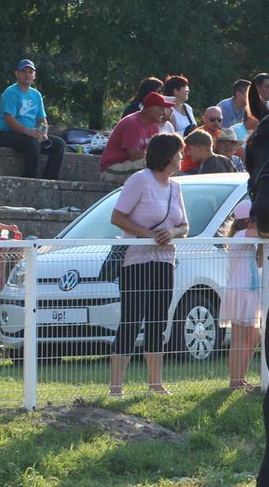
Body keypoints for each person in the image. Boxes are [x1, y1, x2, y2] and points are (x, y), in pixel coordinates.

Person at [108, 133, 189, 397]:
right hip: (137, 259)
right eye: (179, 151)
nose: (182, 156)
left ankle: (155, 383)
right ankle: (116, 386)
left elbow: (184, 226)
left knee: (158, 320)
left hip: (165, 260)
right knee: (132, 320)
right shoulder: (140, 180)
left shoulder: (175, 187)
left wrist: (171, 233)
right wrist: (148, 235)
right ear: (168, 154)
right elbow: (117, 217)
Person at [218, 199, 264, 390]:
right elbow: (265, 233)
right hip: (241, 291)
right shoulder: (243, 235)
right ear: (248, 221)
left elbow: (259, 262)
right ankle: (235, 380)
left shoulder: (246, 238)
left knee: (253, 336)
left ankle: (239, 378)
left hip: (247, 290)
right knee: (239, 338)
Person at [0, 60, 66, 180]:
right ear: (17, 74)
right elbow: (8, 118)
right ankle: (30, 177)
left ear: (34, 75)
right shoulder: (10, 93)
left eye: (30, 72)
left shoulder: (36, 95)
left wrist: (42, 133)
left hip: (29, 135)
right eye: (24, 72)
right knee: (33, 143)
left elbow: (42, 119)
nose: (27, 75)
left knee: (59, 145)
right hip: (7, 134)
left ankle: (50, 179)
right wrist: (28, 132)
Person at [100, 91, 174, 184]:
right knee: (156, 163)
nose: (164, 112)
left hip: (132, 165)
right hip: (112, 170)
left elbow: (154, 150)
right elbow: (134, 156)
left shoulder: (153, 124)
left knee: (166, 162)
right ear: (151, 109)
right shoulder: (132, 123)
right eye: (161, 109)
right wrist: (160, 156)